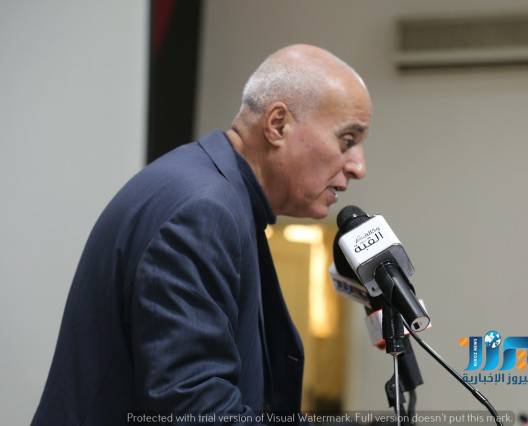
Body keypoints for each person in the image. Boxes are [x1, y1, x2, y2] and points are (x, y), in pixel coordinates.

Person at [32, 44, 371, 425]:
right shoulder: (203, 210)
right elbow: (196, 409)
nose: (358, 166)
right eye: (347, 141)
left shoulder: (216, 194)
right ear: (277, 125)